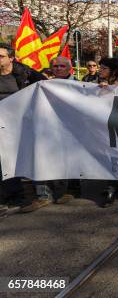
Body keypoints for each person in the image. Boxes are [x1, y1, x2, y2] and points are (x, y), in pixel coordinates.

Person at [21, 56, 76, 212]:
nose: (58, 68)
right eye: (55, 66)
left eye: (61, 66)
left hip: (70, 129)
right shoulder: (43, 85)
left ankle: (66, 191)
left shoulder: (80, 85)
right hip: (47, 127)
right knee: (41, 157)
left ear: (69, 68)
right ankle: (44, 195)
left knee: (66, 160)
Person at [0, 43, 46, 212]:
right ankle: (11, 196)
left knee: (21, 158)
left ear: (11, 58)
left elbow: (46, 87)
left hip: (21, 124)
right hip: (1, 125)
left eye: (1, 56)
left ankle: (36, 194)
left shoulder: (25, 73)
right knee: (3, 160)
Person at [97, 57, 118, 207]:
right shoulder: (98, 83)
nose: (100, 70)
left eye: (104, 68)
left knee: (117, 153)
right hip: (103, 124)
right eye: (100, 67)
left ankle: (112, 187)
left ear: (113, 71)